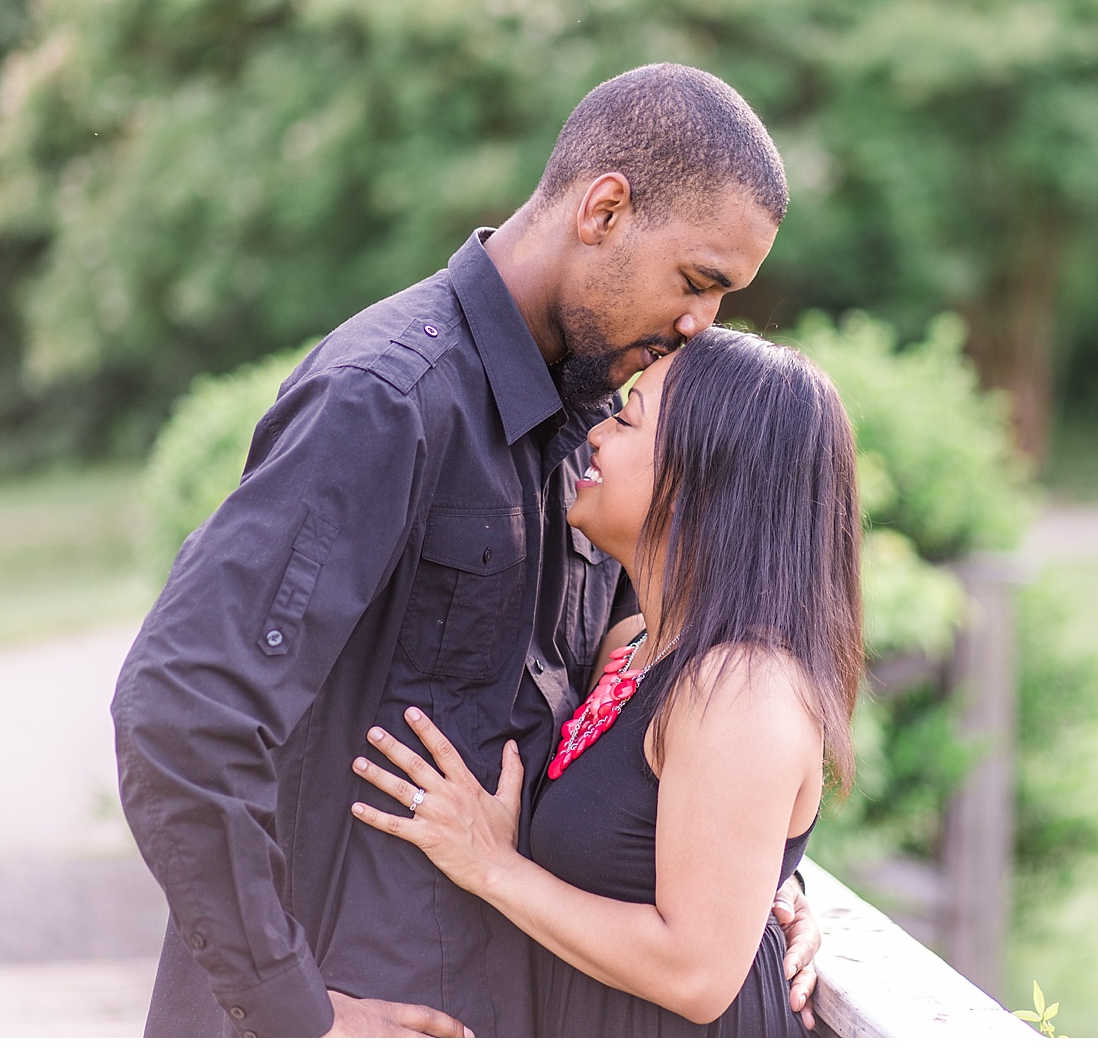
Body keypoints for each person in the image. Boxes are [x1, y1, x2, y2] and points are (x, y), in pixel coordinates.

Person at [110, 64, 822, 1038]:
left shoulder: (589, 425)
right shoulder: (389, 395)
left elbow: (638, 718)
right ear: (604, 210)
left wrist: (754, 887)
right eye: (698, 282)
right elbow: (181, 709)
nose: (702, 326)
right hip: (352, 999)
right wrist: (294, 1013)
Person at [350, 327, 861, 1035]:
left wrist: (492, 864)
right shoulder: (634, 649)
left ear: (699, 478)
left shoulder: (745, 688)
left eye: (626, 418)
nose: (595, 435)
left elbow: (698, 974)